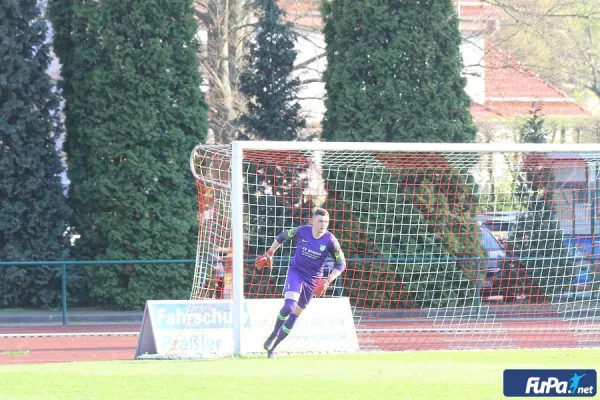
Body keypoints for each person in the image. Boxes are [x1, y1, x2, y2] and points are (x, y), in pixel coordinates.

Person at [254, 207, 347, 359]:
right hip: (296, 273)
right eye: (320, 221)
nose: (323, 225)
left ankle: (273, 348)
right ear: (313, 221)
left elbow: (341, 264)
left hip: (313, 281)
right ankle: (273, 333)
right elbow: (283, 236)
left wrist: (328, 280)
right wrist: (270, 252)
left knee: (296, 313)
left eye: (326, 222)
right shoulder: (301, 231)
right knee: (289, 306)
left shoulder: (331, 240)